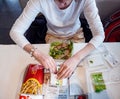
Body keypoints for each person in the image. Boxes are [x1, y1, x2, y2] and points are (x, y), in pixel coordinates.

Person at [10, 0, 105, 79]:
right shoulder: (38, 1)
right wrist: (37, 54)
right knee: (52, 74)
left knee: (79, 74)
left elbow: (100, 34)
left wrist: (76, 58)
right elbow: (15, 32)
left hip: (76, 35)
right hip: (53, 36)